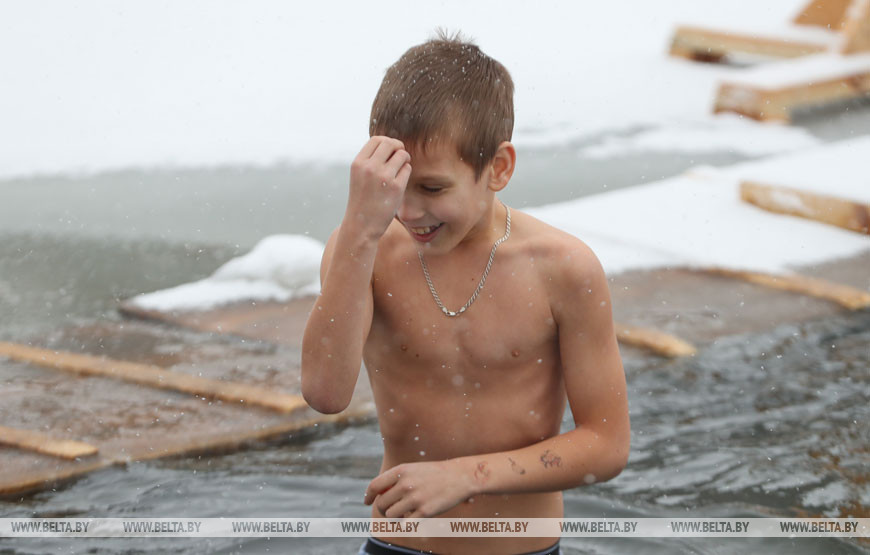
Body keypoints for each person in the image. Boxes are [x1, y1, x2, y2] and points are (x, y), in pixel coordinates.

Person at [301, 30, 630, 555]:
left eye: (432, 188)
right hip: (397, 547)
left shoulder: (561, 268)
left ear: (498, 168)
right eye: (394, 185)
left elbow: (607, 445)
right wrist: (359, 234)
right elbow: (324, 394)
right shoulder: (363, 250)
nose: (408, 213)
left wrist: (467, 476)